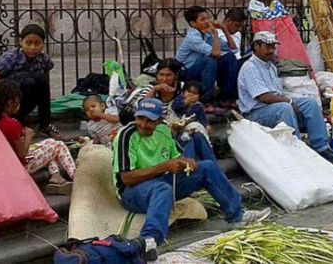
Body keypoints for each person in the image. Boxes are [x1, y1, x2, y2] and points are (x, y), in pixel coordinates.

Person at [113, 98, 270, 262]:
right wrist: (164, 166)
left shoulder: (163, 131)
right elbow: (126, 178)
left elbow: (176, 157)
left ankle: (237, 217)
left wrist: (186, 162)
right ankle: (149, 241)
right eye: (140, 118)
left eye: (150, 120)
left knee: (207, 167)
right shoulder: (126, 135)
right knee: (161, 188)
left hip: (163, 182)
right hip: (132, 192)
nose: (143, 124)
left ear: (160, 120)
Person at [237, 31, 333, 161]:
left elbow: (279, 92)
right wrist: (289, 101)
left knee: (310, 103)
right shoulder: (250, 68)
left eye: (273, 47)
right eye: (268, 47)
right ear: (256, 46)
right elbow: (263, 97)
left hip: (273, 107)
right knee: (284, 107)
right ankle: (297, 150)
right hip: (256, 112)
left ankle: (322, 147)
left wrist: (290, 100)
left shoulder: (270, 66)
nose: (271, 50)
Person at [0, 79, 75, 194]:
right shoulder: (11, 125)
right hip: (19, 167)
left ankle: (56, 177)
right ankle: (77, 178)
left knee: (50, 142)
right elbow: (23, 154)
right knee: (58, 145)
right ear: (10, 102)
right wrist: (29, 136)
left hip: (4, 163)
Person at [124, 59, 217, 163]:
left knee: (195, 135)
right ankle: (187, 171)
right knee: (187, 139)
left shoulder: (183, 88)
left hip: (181, 128)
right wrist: (155, 90)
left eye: (168, 75)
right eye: (161, 75)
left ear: (175, 76)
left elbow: (194, 107)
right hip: (157, 131)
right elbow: (141, 108)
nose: (164, 79)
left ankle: (211, 168)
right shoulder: (150, 89)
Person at [0, 24, 62, 139]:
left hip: (24, 100)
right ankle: (13, 122)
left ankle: (45, 124)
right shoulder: (10, 58)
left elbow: (44, 87)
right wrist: (0, 108)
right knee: (27, 81)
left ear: (43, 44)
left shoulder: (44, 59)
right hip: (6, 103)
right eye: (28, 43)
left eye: (37, 43)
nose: (33, 48)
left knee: (40, 79)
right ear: (21, 42)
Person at [175, 6, 238, 105]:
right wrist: (215, 33)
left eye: (207, 18)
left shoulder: (206, 34)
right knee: (209, 60)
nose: (207, 22)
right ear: (193, 23)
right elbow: (215, 53)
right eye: (203, 19)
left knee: (229, 57)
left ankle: (226, 96)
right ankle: (206, 99)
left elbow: (233, 49)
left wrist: (224, 29)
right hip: (186, 72)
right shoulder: (193, 37)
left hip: (201, 68)